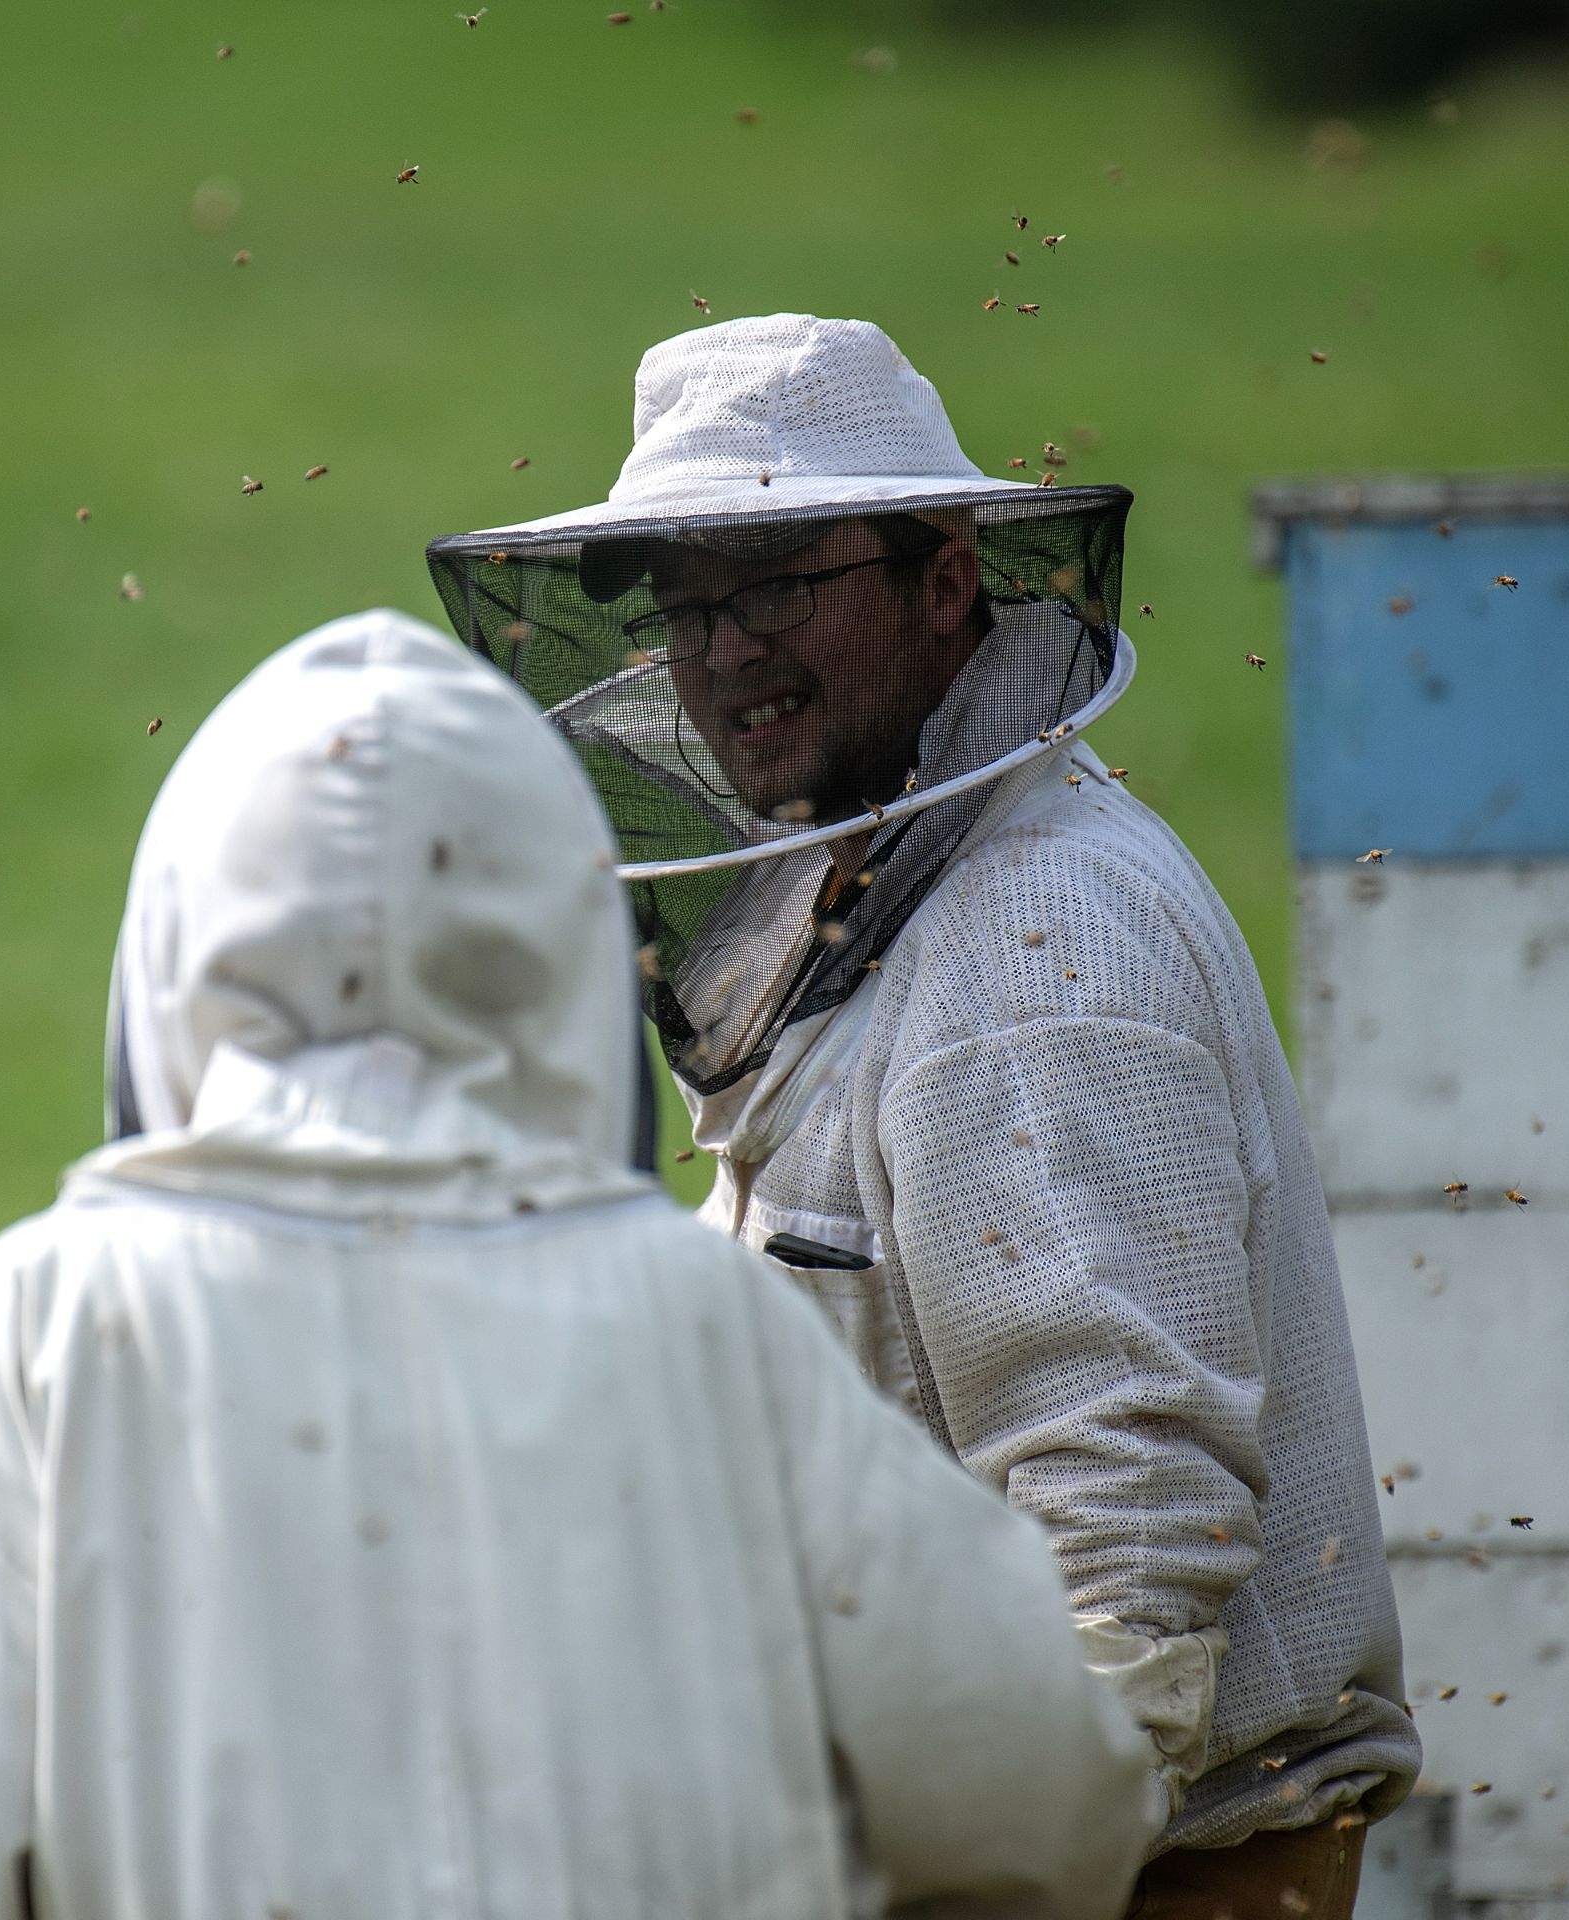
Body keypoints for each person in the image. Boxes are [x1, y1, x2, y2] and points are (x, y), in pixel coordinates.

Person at [0, 609, 1158, 1920]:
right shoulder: (698, 1318)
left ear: (183, 945)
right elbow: (1043, 1790)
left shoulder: (55, 1316)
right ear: (556, 941)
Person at [428, 315, 1421, 1918]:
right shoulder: (876, 880)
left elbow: (1128, 1555)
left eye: (772, 587)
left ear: (944, 572)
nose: (721, 656)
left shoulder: (1037, 958)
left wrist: (986, 1866)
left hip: (1147, 1869)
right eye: (687, 608)